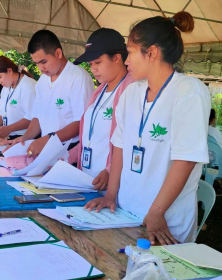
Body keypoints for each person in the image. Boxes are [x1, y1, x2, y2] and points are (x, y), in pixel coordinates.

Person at [85, 12, 210, 245]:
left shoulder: (188, 91)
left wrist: (157, 211)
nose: (126, 60)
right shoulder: (132, 92)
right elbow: (119, 146)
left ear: (151, 53)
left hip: (164, 222)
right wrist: (111, 195)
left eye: (131, 52)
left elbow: (185, 160)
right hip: (125, 212)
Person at [67, 28, 134, 191]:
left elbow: (131, 141)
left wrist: (110, 170)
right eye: (90, 64)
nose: (93, 69)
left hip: (112, 186)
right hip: (87, 181)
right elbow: (90, 137)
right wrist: (67, 157)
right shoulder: (99, 91)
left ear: (117, 58)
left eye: (97, 62)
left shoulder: (131, 90)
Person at [7, 30, 94, 156]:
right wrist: (24, 139)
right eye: (37, 63)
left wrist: (48, 139)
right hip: (46, 148)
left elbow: (80, 122)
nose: (41, 68)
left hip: (69, 150)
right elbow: (37, 116)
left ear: (58, 53)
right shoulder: (42, 81)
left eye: (44, 62)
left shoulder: (78, 78)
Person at [0, 56, 36, 139]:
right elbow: (2, 113)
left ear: (9, 71)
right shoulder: (6, 88)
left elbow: (32, 118)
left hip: (25, 137)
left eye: (0, 77)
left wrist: (9, 129)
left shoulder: (28, 86)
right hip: (9, 137)